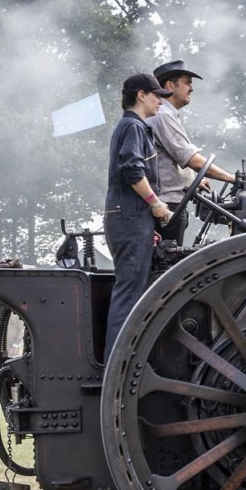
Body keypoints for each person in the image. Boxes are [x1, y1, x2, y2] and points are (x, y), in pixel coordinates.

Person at [104, 72, 174, 359]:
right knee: (130, 291)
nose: (160, 101)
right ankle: (116, 365)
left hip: (131, 217)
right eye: (156, 95)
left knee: (132, 288)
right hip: (130, 216)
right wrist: (155, 204)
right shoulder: (133, 127)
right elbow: (132, 170)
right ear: (141, 95)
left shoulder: (131, 127)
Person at [147, 60, 236, 245]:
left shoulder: (167, 115)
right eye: (187, 82)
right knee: (166, 267)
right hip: (166, 206)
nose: (192, 88)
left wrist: (192, 181)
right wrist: (232, 178)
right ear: (170, 85)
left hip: (171, 204)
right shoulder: (163, 116)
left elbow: (170, 158)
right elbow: (191, 159)